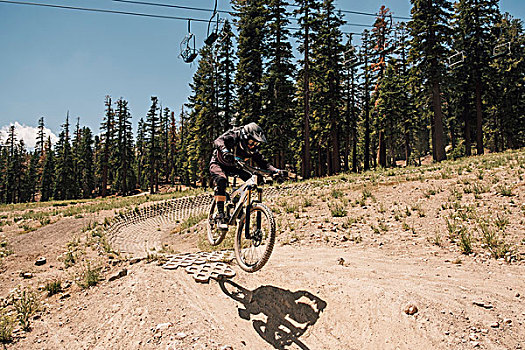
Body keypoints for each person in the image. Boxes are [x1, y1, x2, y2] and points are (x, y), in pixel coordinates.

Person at [209, 122, 285, 229]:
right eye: (251, 142)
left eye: (256, 144)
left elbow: (264, 164)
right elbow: (218, 140)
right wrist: (225, 151)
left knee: (250, 179)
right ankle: (220, 216)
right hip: (218, 163)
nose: (253, 145)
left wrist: (276, 171)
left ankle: (237, 204)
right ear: (245, 137)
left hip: (234, 167)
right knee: (222, 180)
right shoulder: (234, 136)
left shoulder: (253, 150)